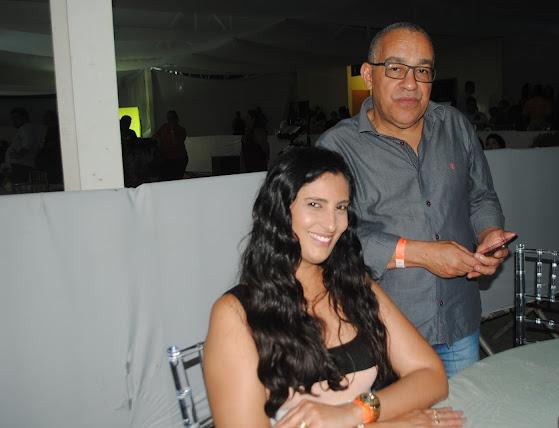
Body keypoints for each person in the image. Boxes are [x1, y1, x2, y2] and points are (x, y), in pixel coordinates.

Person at [203, 146, 466, 428]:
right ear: (279, 210)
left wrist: (356, 413)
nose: (331, 224)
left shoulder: (352, 284)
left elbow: (431, 374)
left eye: (340, 207)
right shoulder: (236, 312)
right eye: (315, 204)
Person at [317, 22, 515, 378]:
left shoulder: (455, 126)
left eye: (422, 71)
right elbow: (333, 237)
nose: (411, 83)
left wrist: (488, 233)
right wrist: (422, 254)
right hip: (382, 333)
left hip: (457, 322)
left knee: (463, 407)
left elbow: (481, 195)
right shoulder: (337, 147)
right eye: (396, 68)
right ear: (368, 75)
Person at [1, 107, 42, 184]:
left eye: (16, 117)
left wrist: (20, 153)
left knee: (17, 187)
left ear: (24, 117)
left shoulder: (26, 128)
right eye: (12, 118)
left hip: (21, 167)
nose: (14, 121)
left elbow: (28, 144)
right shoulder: (25, 129)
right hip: (19, 166)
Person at [152, 110, 188, 181]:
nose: (170, 121)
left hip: (179, 159)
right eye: (168, 118)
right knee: (167, 179)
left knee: (177, 178)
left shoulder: (181, 130)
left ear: (176, 119)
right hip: (167, 158)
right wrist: (159, 141)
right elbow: (154, 136)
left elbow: (176, 143)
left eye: (172, 118)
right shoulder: (164, 127)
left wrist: (172, 131)